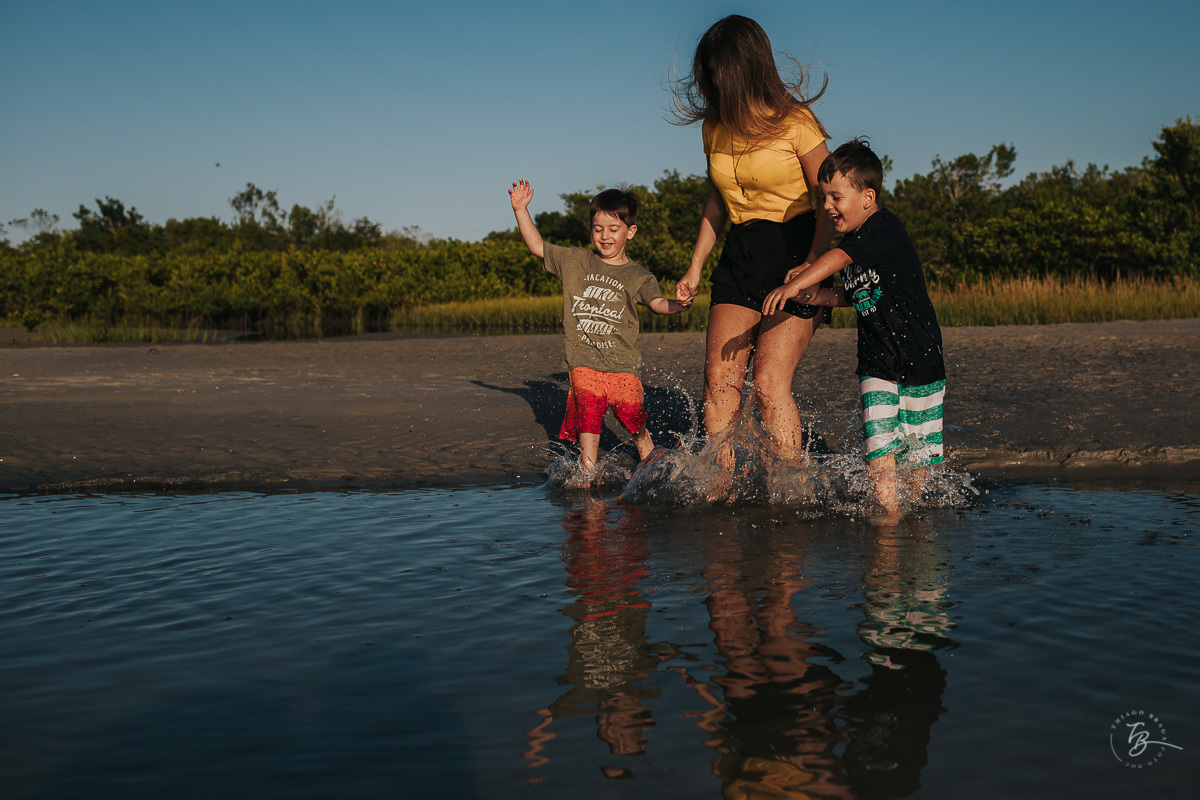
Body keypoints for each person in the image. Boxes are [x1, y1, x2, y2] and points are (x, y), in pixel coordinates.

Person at [672, 14, 835, 460]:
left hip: (796, 251)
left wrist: (812, 264)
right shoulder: (713, 127)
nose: (714, 82)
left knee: (767, 384)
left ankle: (792, 484)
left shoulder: (796, 122)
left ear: (747, 67)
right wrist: (695, 266)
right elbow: (716, 201)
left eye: (720, 72)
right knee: (718, 384)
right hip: (740, 253)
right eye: (709, 72)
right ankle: (719, 486)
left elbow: (829, 200)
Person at [763, 139, 946, 514]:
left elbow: (839, 257)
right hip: (876, 362)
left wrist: (796, 284)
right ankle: (889, 519)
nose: (828, 206)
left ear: (867, 197)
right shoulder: (854, 242)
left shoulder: (882, 229)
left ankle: (915, 520)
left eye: (836, 197)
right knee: (879, 447)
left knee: (918, 456)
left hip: (920, 358)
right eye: (823, 197)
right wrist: (816, 296)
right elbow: (854, 294)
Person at [509, 179, 690, 481]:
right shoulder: (575, 260)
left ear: (630, 231)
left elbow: (657, 303)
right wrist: (520, 210)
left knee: (632, 416)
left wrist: (680, 305)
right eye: (598, 229)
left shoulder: (639, 275)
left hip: (622, 364)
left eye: (613, 229)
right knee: (589, 414)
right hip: (583, 360)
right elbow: (538, 246)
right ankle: (587, 471)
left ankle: (649, 459)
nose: (605, 236)